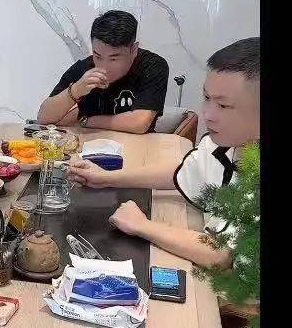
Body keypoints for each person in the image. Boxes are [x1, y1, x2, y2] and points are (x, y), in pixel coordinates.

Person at [67, 37, 260, 269]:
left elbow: (220, 254)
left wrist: (142, 225)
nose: (208, 114)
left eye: (223, 105)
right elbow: (184, 171)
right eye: (207, 98)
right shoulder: (222, 144)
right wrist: (105, 177)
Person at [37, 10, 168, 135]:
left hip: (139, 144)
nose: (104, 67)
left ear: (133, 50)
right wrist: (76, 90)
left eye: (114, 58)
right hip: (90, 143)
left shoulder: (152, 65)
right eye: (98, 56)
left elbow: (139, 123)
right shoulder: (84, 68)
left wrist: (86, 121)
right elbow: (44, 118)